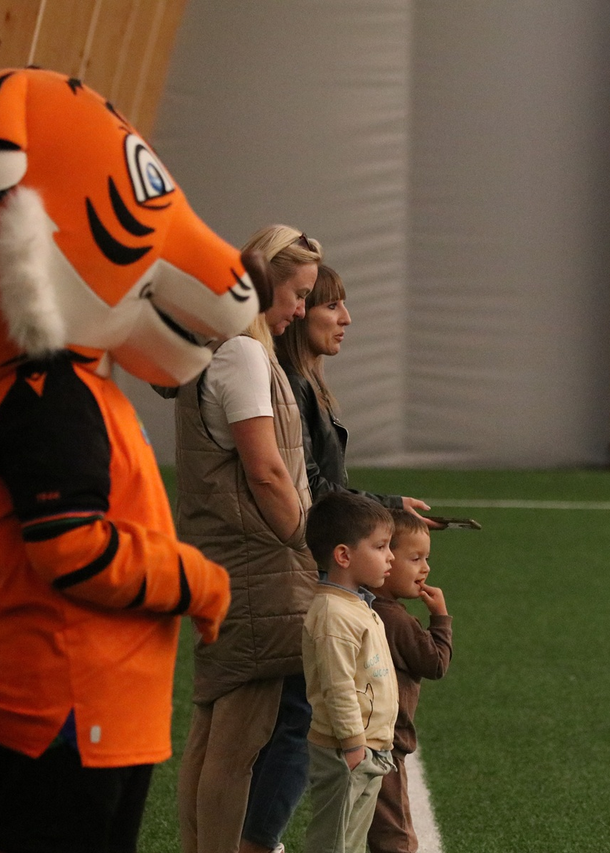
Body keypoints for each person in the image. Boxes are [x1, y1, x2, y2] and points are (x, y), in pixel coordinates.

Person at [174, 225, 323, 853]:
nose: (302, 310)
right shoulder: (242, 355)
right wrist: (305, 543)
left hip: (233, 565)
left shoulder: (226, 349)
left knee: (214, 732)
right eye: (298, 294)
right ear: (264, 286)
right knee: (237, 743)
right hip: (257, 570)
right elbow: (265, 470)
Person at [274, 264, 433, 518]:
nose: (346, 318)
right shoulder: (291, 384)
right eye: (331, 306)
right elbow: (309, 487)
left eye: (343, 304)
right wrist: (387, 507)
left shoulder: (304, 383)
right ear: (299, 311)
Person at [302, 492, 400, 853]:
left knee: (351, 843)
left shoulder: (355, 604)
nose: (390, 556)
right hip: (346, 752)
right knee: (334, 843)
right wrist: (354, 746)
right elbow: (338, 686)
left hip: (365, 750)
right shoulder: (333, 615)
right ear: (343, 556)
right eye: (380, 547)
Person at [367, 510, 453, 853]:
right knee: (395, 837)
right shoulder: (396, 620)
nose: (425, 568)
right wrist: (440, 618)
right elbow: (436, 663)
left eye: (426, 559)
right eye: (415, 558)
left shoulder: (357, 605)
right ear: (385, 558)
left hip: (351, 738)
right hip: (386, 743)